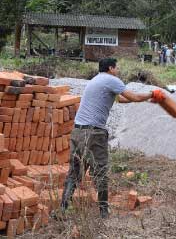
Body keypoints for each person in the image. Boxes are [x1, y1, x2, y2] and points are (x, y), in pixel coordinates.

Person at [60, 58, 157, 218]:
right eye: (116, 67)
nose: (118, 70)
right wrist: (152, 94)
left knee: (75, 172)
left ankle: (63, 209)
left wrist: (146, 99)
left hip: (78, 132)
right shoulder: (112, 80)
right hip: (94, 134)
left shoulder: (96, 80)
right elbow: (134, 97)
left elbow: (121, 99)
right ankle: (104, 212)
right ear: (111, 68)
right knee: (101, 171)